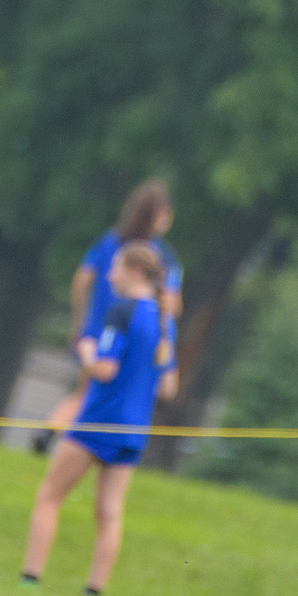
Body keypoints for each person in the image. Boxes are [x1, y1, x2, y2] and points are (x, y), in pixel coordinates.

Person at [21, 242, 177, 595]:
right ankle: (94, 590)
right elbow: (168, 386)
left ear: (134, 272)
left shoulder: (120, 312)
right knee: (110, 512)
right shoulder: (166, 323)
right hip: (134, 431)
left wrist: (86, 350)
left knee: (49, 496)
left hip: (97, 422)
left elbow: (105, 369)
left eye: (116, 268)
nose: (109, 275)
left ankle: (29, 578)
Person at [41, 180, 183, 446]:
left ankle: (53, 428)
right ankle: (71, 438)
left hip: (97, 330)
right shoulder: (162, 256)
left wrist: (80, 323)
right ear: (161, 215)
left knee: (86, 391)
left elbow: (81, 281)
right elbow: (172, 305)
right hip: (134, 336)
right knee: (103, 396)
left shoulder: (110, 241)